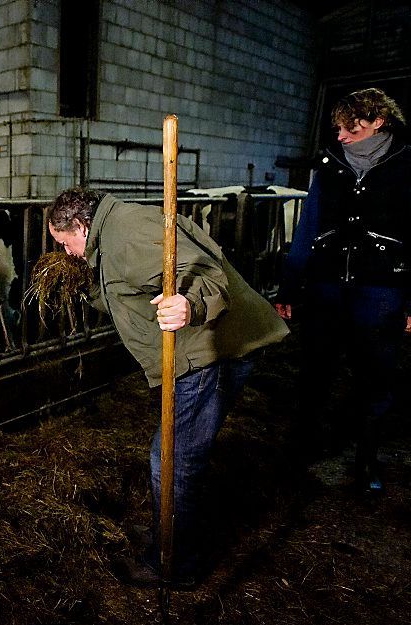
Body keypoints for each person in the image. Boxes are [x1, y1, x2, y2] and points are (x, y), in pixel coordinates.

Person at [47, 187, 289, 587]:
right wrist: (85, 288)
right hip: (212, 348)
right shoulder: (112, 237)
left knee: (172, 459)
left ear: (80, 225)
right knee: (177, 455)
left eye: (65, 243)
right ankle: (170, 536)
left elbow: (207, 276)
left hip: (202, 351)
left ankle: (174, 564)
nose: (67, 253)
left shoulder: (129, 233)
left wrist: (189, 304)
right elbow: (129, 294)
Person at [276, 87, 411, 492]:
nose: (341, 136)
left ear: (378, 122)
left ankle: (366, 460)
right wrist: (289, 285)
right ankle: (301, 452)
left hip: (380, 289)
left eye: (351, 127)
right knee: (314, 371)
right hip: (326, 286)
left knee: (375, 377)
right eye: (338, 127)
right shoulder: (329, 165)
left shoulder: (406, 166)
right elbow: (307, 226)